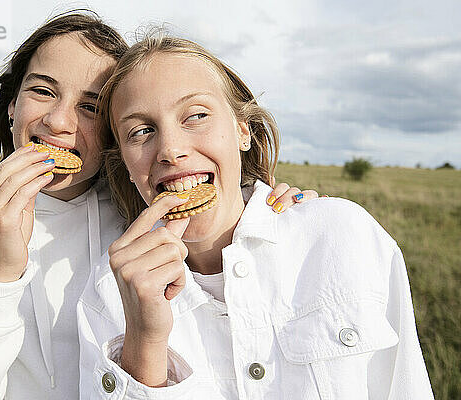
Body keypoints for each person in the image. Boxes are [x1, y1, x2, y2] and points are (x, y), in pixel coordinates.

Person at [0, 11, 316, 399]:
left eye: (90, 107)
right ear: (12, 105)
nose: (59, 122)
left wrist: (273, 209)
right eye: (43, 91)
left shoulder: (145, 215)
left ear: (116, 133)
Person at [76, 35, 435, 399]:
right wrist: (145, 340)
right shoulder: (107, 291)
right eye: (141, 131)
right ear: (124, 161)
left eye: (197, 115)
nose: (170, 150)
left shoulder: (344, 236)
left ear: (242, 130)